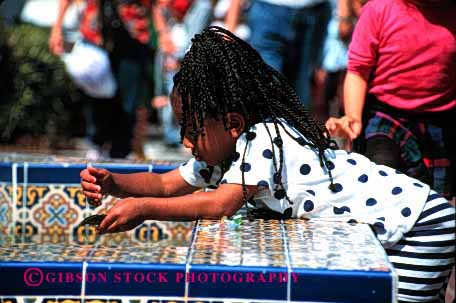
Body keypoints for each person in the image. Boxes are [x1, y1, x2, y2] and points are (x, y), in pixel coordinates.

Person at [80, 27, 455, 303]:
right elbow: (166, 184)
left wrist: (145, 210)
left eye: (193, 130)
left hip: (419, 226)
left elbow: (219, 205)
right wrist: (115, 183)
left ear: (232, 123)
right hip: (403, 224)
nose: (185, 141)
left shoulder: (263, 139)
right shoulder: (223, 154)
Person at [325, 0, 456, 199]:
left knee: (434, 201)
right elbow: (358, 71)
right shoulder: (380, 8)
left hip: (439, 120)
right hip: (385, 114)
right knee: (381, 178)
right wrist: (353, 117)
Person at [50, 0, 159, 159]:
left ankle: (122, 148)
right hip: (96, 32)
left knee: (129, 94)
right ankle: (97, 142)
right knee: (96, 90)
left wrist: (162, 33)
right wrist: (57, 27)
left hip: (131, 32)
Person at [225, 0, 331, 108]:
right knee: (267, 90)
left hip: (314, 13)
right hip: (268, 12)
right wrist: (231, 26)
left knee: (300, 93)